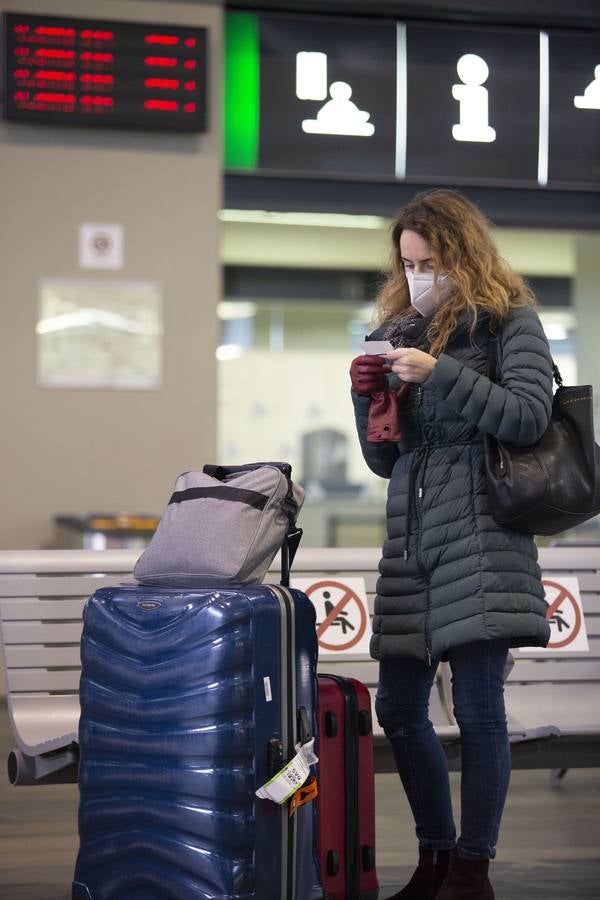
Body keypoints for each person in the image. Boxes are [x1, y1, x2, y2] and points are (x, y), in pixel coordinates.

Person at [349, 189, 554, 900]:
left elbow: (528, 417)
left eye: (430, 263)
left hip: (484, 536)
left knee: (478, 709)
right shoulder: (399, 329)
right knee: (399, 709)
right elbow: (386, 462)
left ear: (464, 257)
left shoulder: (510, 323)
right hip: (413, 543)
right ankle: (435, 857)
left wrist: (443, 373)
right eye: (408, 265)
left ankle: (472, 868)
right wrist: (368, 398)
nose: (418, 278)